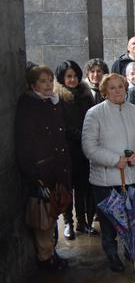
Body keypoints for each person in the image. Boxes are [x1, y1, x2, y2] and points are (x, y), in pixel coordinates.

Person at [82, 73, 135, 272]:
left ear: (126, 88)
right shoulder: (95, 113)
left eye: (120, 86)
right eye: (111, 88)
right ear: (104, 92)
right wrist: (114, 160)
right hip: (105, 180)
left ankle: (131, 250)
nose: (117, 91)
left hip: (131, 176)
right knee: (109, 221)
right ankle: (112, 253)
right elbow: (89, 146)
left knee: (133, 217)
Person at [16, 65, 73, 270]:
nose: (48, 84)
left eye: (50, 80)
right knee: (44, 219)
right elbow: (24, 143)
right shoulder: (29, 105)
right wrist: (34, 175)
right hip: (42, 171)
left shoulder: (52, 103)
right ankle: (45, 257)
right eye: (43, 81)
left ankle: (51, 252)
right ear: (33, 85)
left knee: (54, 213)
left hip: (56, 169)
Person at [55, 61, 97, 240]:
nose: (72, 79)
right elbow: (60, 124)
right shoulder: (58, 97)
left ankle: (83, 222)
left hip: (85, 149)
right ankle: (68, 223)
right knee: (67, 187)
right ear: (62, 78)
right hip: (67, 148)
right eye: (68, 76)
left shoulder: (86, 94)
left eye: (74, 75)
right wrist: (82, 135)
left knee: (83, 188)